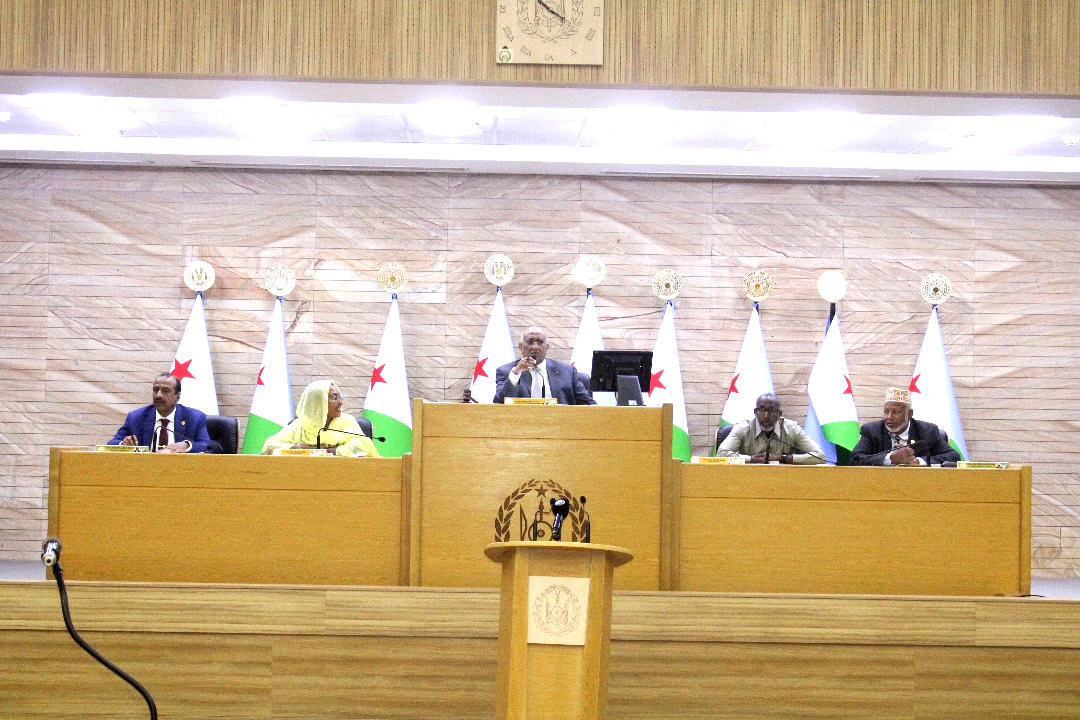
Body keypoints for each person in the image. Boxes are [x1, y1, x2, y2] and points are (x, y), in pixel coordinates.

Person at [262, 380, 380, 457]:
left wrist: (333, 452)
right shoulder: (300, 425)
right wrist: (302, 448)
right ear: (318, 402)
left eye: (340, 397)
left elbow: (361, 446)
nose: (340, 402)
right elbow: (269, 446)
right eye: (334, 398)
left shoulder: (346, 422)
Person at [851, 387, 961, 466]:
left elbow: (953, 456)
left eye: (895, 412)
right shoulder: (871, 431)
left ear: (909, 414)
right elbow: (855, 459)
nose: (889, 417)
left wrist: (917, 461)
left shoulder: (927, 431)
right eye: (886, 411)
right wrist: (890, 459)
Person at [108, 373, 211, 453]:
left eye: (165, 391)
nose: (158, 395)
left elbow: (207, 446)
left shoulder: (194, 417)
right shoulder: (136, 417)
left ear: (177, 397)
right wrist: (123, 444)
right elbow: (111, 444)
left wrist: (187, 446)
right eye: (155, 390)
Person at [493, 326, 595, 405]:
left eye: (540, 342)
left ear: (546, 347)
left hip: (560, 425)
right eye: (530, 342)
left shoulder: (568, 372)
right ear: (520, 347)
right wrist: (516, 373)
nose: (535, 347)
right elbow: (499, 402)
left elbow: (589, 405)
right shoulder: (507, 371)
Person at [716, 393, 826, 464]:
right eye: (762, 409)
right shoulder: (742, 428)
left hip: (784, 481)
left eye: (772, 410)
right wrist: (751, 459)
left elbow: (820, 456)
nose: (766, 415)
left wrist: (783, 458)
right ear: (755, 412)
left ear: (779, 413)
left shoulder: (792, 429)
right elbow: (721, 454)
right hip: (748, 480)